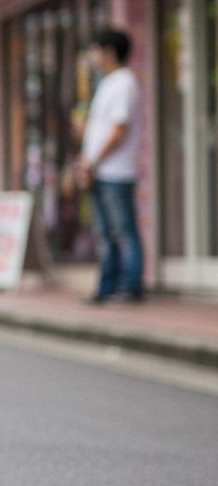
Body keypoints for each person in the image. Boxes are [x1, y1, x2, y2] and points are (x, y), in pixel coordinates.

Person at [78, 28, 144, 304]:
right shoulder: (107, 83)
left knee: (123, 231)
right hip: (101, 171)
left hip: (116, 171)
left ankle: (130, 287)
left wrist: (93, 161)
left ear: (110, 52)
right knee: (106, 234)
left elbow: (119, 129)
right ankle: (107, 287)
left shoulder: (124, 83)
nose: (92, 56)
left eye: (96, 49)